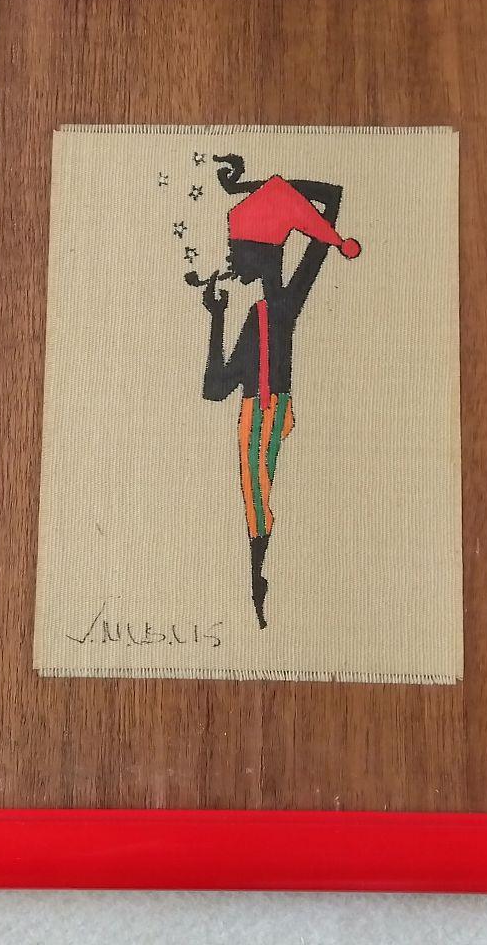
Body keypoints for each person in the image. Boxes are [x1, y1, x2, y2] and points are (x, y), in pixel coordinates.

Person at [198, 153, 361, 628]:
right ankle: (257, 579)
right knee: (255, 498)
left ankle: (259, 579)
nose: (231, 259)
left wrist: (252, 187)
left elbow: (332, 198)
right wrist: (216, 318)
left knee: (257, 498)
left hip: (265, 414)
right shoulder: (262, 314)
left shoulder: (280, 306)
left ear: (262, 254)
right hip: (260, 412)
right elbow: (215, 387)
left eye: (236, 251)